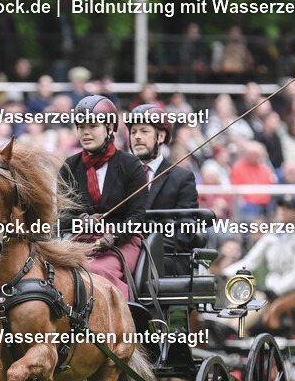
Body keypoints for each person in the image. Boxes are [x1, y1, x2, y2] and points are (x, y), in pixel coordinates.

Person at [59, 95, 147, 300]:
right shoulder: (69, 166)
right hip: (79, 241)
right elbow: (61, 217)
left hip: (123, 242)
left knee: (98, 271)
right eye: (80, 126)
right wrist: (80, 222)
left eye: (92, 126)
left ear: (109, 128)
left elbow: (136, 217)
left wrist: (113, 235)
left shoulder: (131, 165)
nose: (85, 132)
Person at [127, 104, 198, 275]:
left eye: (144, 131)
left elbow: (184, 230)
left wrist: (144, 246)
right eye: (133, 132)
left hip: (164, 258)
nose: (137, 137)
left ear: (161, 135)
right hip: (123, 254)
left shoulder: (182, 178)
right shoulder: (119, 176)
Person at [223, 197, 295, 297]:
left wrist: (277, 290)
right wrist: (226, 273)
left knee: (252, 307)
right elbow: (250, 261)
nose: (282, 211)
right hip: (270, 289)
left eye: (288, 208)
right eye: (281, 207)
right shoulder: (270, 237)